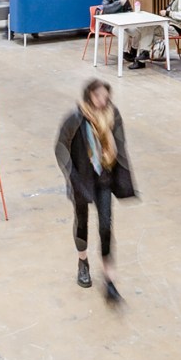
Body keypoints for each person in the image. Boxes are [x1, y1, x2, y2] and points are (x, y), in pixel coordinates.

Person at [54, 79, 137, 303]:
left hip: (104, 177)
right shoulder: (76, 117)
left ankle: (109, 279)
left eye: (106, 96)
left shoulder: (113, 114)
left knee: (105, 225)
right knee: (82, 221)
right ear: (90, 95)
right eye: (99, 95)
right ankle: (83, 262)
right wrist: (70, 174)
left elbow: (120, 143)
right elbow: (60, 146)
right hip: (81, 178)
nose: (104, 100)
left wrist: (120, 171)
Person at [125, 0, 181, 69]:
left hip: (174, 28)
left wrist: (167, 13)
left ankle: (141, 56)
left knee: (147, 30)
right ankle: (142, 56)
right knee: (145, 29)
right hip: (167, 25)